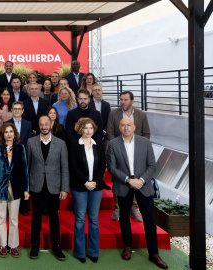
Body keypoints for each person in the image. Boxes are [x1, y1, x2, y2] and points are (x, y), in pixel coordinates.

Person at [107, 117, 168, 269]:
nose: (126, 128)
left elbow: (152, 165)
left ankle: (153, 253)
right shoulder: (113, 144)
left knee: (149, 219)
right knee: (124, 217)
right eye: (123, 125)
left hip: (143, 184)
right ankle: (127, 247)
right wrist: (128, 180)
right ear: (119, 127)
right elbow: (112, 168)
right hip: (124, 185)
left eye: (129, 125)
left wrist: (141, 180)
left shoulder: (145, 143)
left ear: (134, 127)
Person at [27, 115, 69, 261]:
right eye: (41, 124)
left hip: (54, 186)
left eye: (46, 124)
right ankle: (35, 245)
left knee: (54, 217)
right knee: (36, 216)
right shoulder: (31, 142)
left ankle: (56, 246)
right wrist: (27, 187)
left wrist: (64, 188)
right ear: (38, 126)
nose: (44, 126)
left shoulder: (61, 143)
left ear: (51, 124)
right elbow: (27, 166)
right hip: (37, 185)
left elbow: (65, 167)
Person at [68, 117, 110, 263]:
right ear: (80, 129)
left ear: (94, 130)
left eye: (91, 128)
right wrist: (85, 182)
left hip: (96, 187)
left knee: (94, 219)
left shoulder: (98, 145)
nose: (88, 130)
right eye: (85, 128)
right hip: (80, 187)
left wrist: (95, 182)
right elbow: (73, 167)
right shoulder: (74, 144)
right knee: (79, 219)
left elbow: (102, 165)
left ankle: (93, 251)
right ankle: (79, 252)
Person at [107, 90, 150, 222]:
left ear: (132, 101)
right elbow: (110, 133)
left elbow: (146, 134)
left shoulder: (141, 115)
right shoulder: (113, 113)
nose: (122, 102)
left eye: (125, 100)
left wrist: (139, 148)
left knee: (136, 178)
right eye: (121, 99)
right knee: (118, 179)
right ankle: (117, 208)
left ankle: (134, 208)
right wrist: (118, 147)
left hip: (137, 154)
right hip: (118, 151)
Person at [0, 123, 29, 258]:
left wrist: (26, 189)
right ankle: (3, 245)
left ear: (15, 134)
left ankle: (13, 245)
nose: (9, 134)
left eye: (11, 131)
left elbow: (24, 170)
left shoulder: (20, 148)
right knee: (0, 218)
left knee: (13, 218)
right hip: (0, 187)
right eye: (6, 132)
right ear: (2, 135)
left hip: (16, 188)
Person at [5, 101, 33, 216]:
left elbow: (30, 141)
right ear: (11, 110)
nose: (17, 111)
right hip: (9, 156)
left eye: (19, 109)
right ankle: (8, 207)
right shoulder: (6, 123)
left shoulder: (28, 124)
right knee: (9, 182)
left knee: (22, 182)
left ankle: (22, 207)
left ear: (22, 111)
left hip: (23, 157)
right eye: (14, 109)